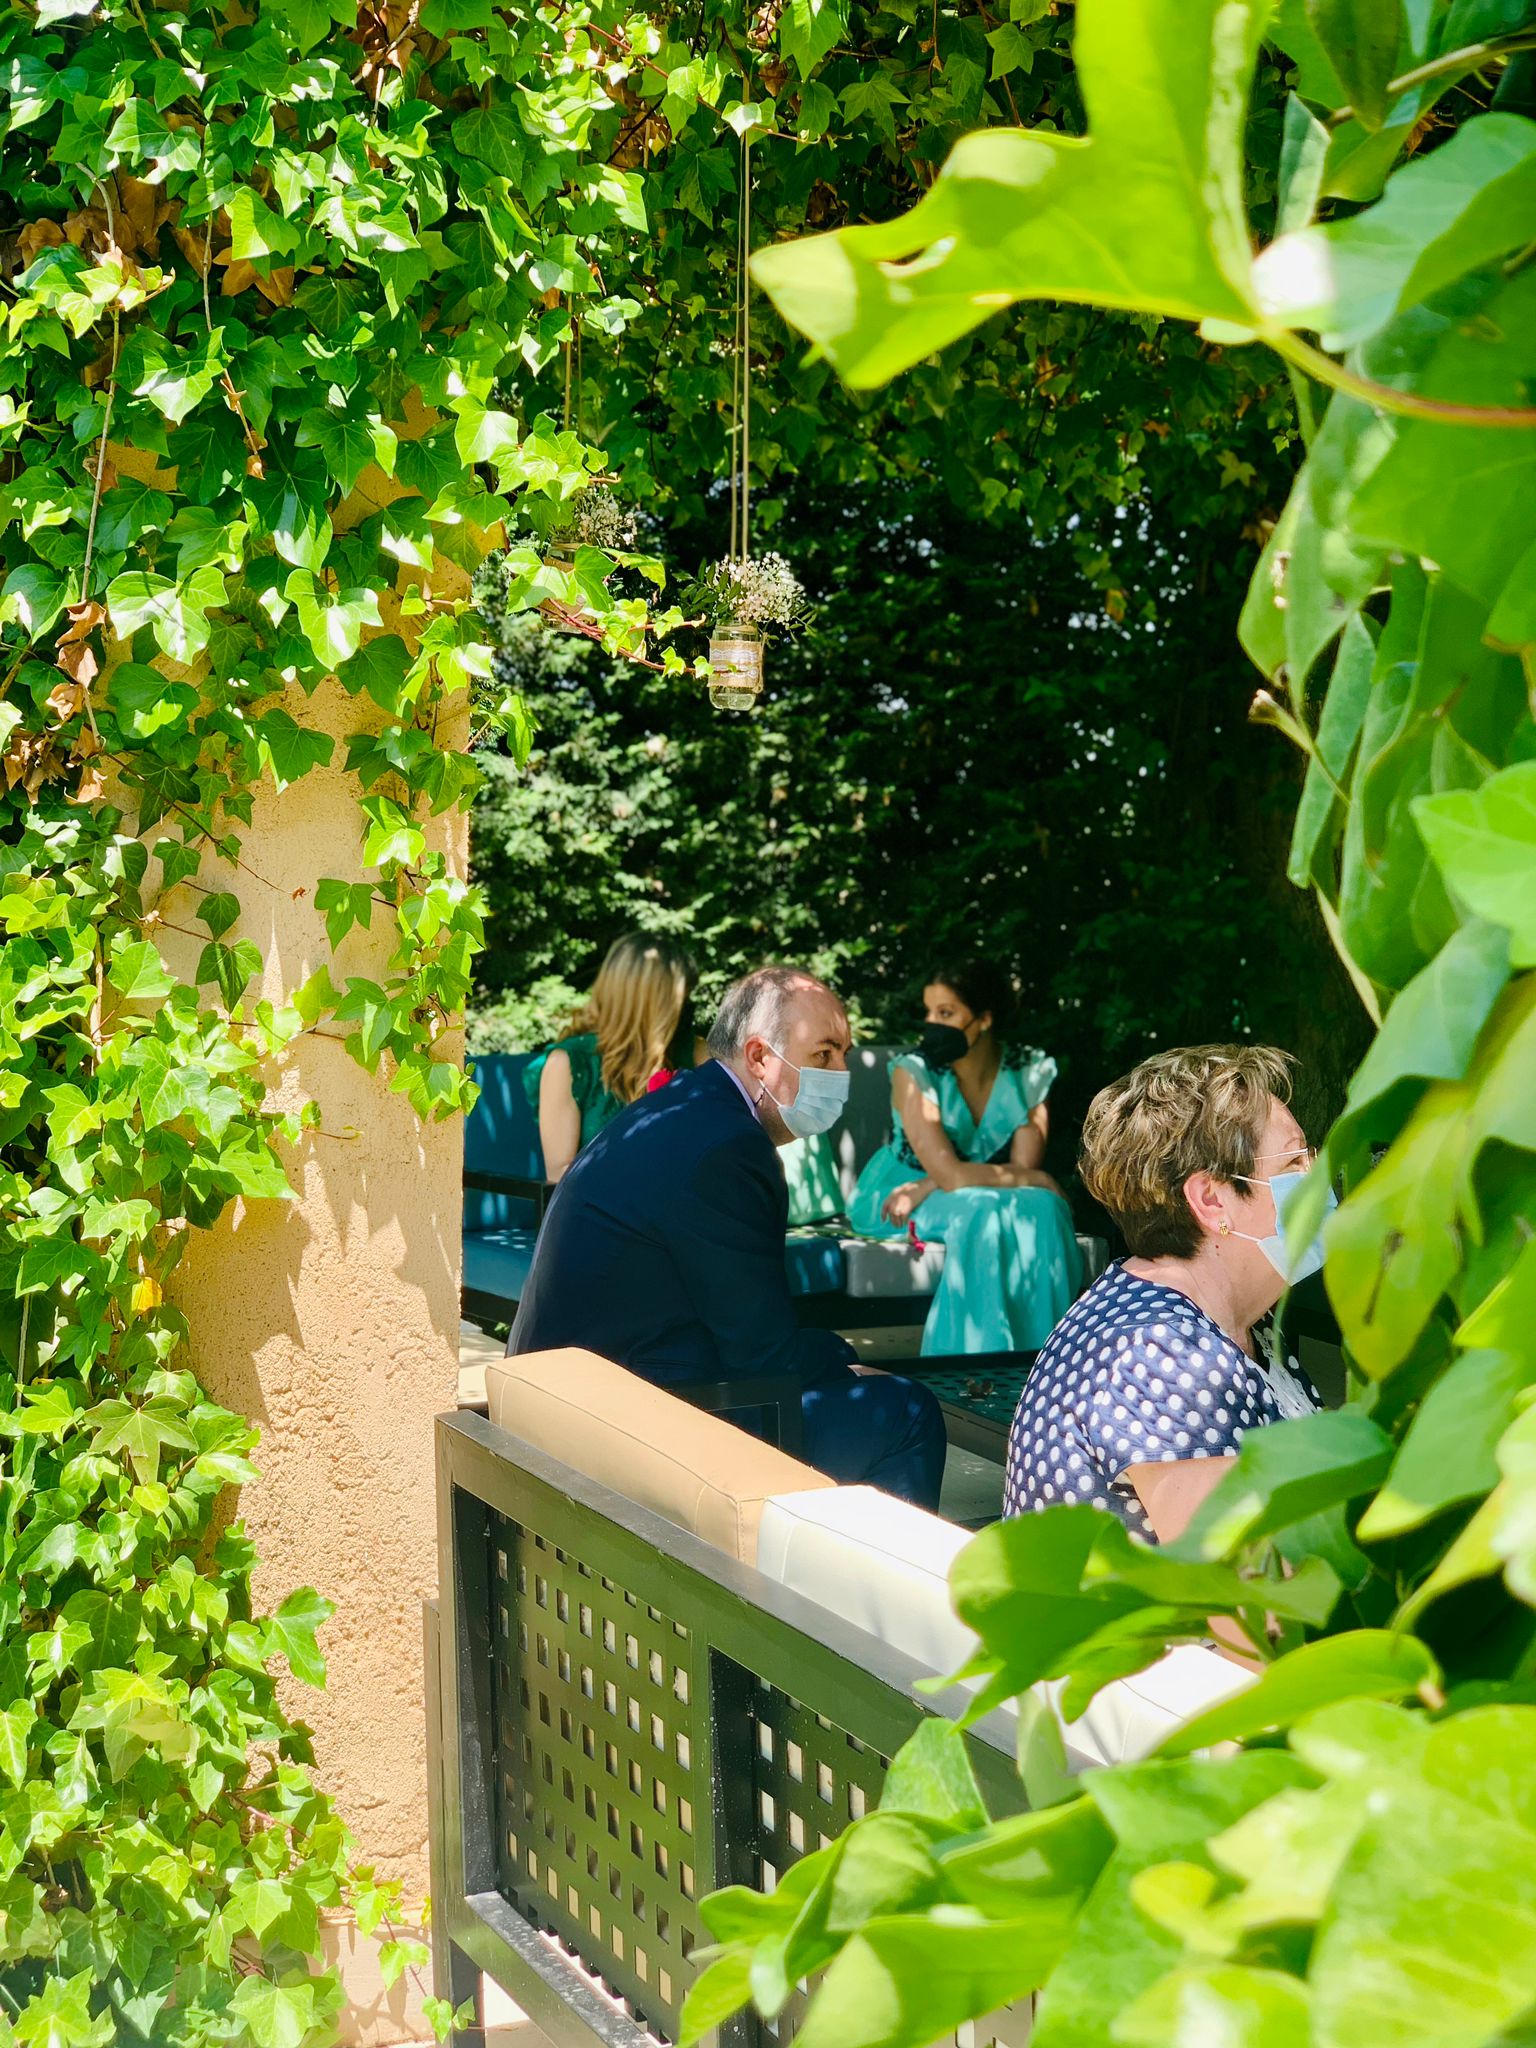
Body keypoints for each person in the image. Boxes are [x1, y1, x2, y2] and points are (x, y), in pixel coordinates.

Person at [507, 966, 948, 1510]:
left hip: (573, 1404)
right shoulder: (728, 1147)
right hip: (619, 1433)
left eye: (845, 1054)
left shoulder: (684, 1108)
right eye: (825, 1054)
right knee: (906, 1412)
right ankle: (866, 1569)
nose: (842, 1072)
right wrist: (842, 1359)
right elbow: (763, 1358)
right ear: (759, 1056)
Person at [1003, 1044, 1325, 1544]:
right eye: (1293, 1163)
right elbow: (1233, 1582)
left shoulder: (1232, 1322)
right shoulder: (1164, 1353)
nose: (1318, 1176)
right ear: (1212, 1199)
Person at [848, 961, 1082, 1355]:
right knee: (984, 1212)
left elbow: (1021, 1169)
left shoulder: (1027, 1068)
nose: (931, 1024)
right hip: (899, 1191)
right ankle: (969, 1366)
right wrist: (1038, 1178)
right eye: (929, 1012)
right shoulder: (915, 1071)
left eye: (946, 1013)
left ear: (984, 1019)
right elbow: (1000, 1175)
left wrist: (932, 1183)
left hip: (940, 1187)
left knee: (1043, 1207)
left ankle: (1047, 1361)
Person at [525, 932, 696, 1183]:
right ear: (651, 1005)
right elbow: (560, 1175)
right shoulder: (570, 1063)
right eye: (681, 1001)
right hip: (603, 1203)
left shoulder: (693, 1053)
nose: (688, 1010)